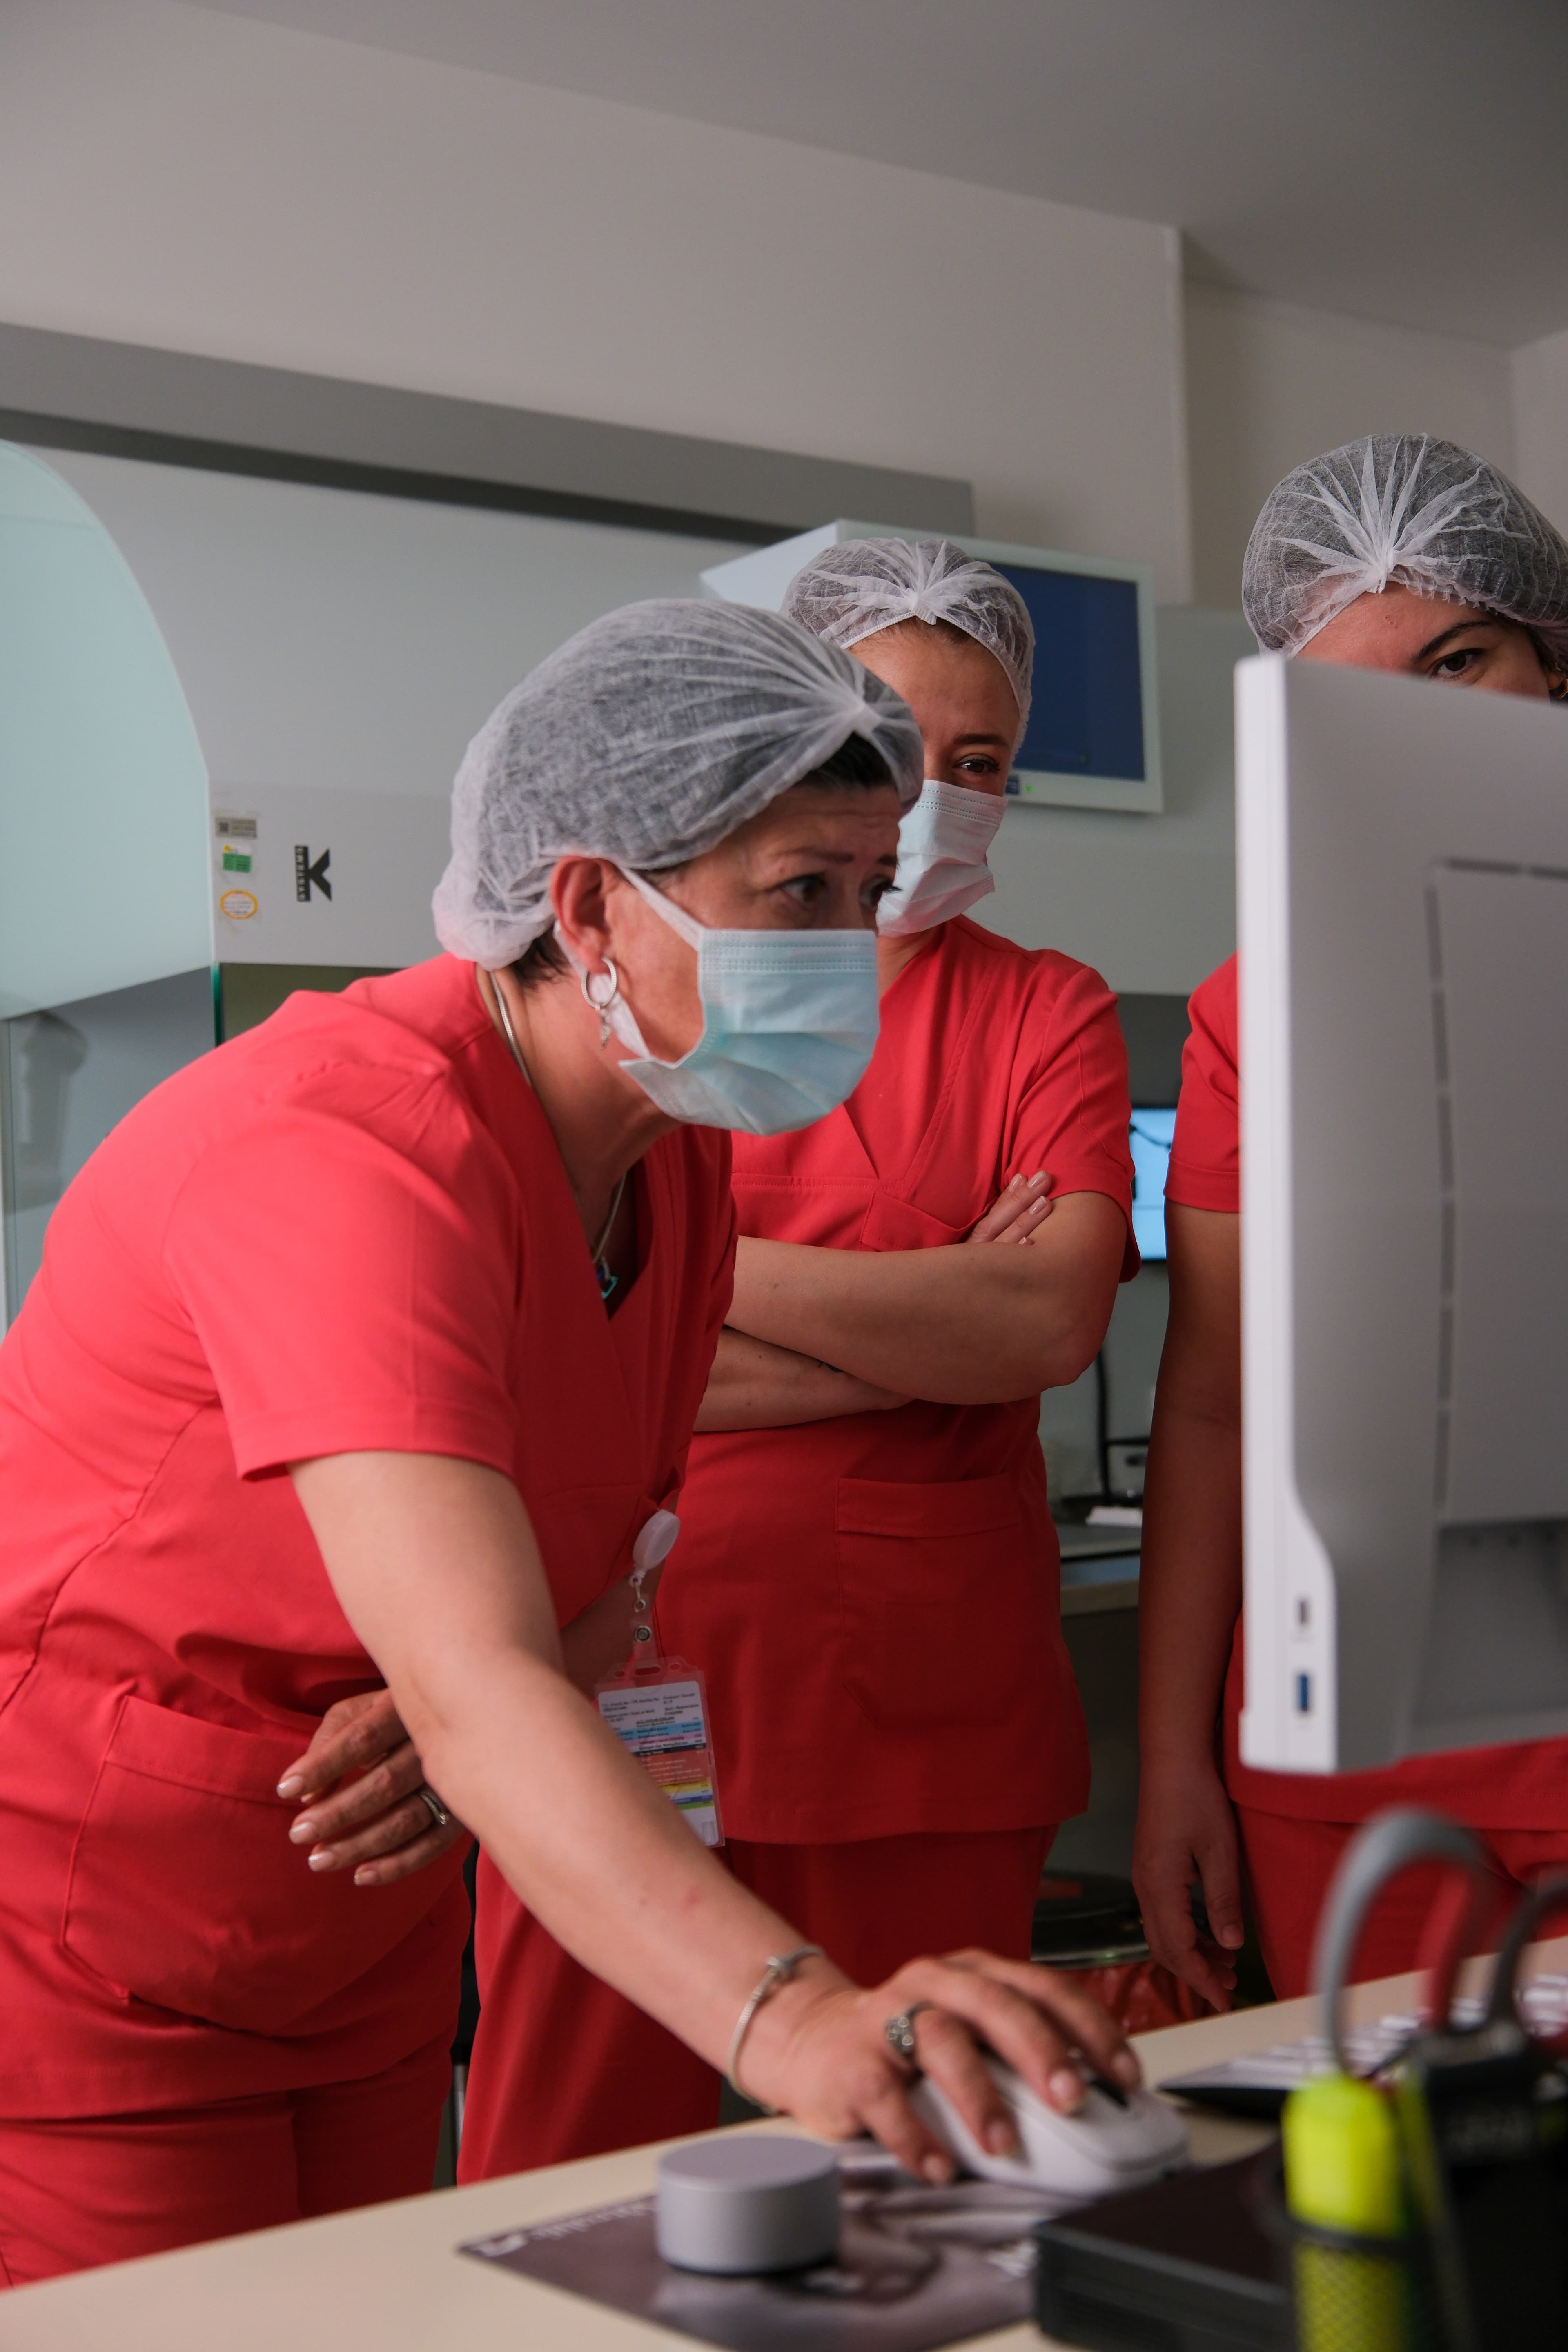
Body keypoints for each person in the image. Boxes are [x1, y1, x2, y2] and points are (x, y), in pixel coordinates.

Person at [0, 599, 1140, 2286]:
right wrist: (801, 2019)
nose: (849, 948)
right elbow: (487, 1674)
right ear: (592, 902)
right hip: (93, 1947)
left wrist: (470, 1697)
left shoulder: (661, 1169)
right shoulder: (351, 1150)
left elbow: (597, 1593)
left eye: (867, 888)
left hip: (358, 1942)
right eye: (798, 895)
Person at [452, 539, 1139, 2177]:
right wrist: (924, 1331)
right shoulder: (653, 1025)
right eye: (905, 738)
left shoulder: (1040, 1010)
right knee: (575, 2167)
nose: (933, 794)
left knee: (915, 2167)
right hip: (630, 1685)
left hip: (922, 1713)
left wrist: (698, 1288)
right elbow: (575, 1367)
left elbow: (1047, 1321)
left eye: (982, 764)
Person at [1133, 436, 1568, 2009]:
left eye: (1459, 660)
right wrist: (1177, 1755)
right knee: (1385, 2206)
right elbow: (1213, 1399)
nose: (1422, 728)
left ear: (1553, 655)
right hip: (1353, 1761)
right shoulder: (1261, 1012)